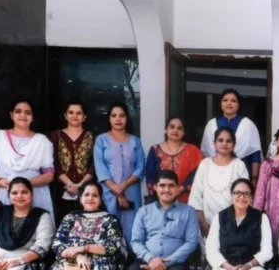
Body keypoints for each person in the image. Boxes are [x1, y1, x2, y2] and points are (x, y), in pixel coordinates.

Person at [0, 98, 55, 222]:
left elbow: (49, 175)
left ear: (33, 117)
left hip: (34, 193)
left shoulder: (42, 141)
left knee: (37, 232)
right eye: (18, 111)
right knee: (5, 232)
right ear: (11, 115)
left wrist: (25, 185)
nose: (23, 115)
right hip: (5, 194)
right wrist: (0, 182)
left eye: (28, 112)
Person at [94, 102, 145, 247]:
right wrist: (115, 189)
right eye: (114, 115)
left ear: (127, 118)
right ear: (109, 118)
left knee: (132, 229)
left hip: (131, 192)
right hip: (108, 192)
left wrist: (123, 186)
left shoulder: (135, 141)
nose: (118, 119)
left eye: (121, 115)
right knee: (109, 228)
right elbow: (100, 166)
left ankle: (130, 263)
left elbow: (140, 167)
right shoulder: (101, 140)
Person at [188, 127, 249, 248]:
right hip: (206, 225)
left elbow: (245, 197)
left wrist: (234, 226)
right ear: (214, 143)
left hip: (234, 226)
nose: (224, 144)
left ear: (234, 144)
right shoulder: (205, 164)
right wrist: (203, 224)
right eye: (220, 140)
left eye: (228, 141)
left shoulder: (239, 165)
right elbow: (195, 197)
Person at [200, 89, 262, 185]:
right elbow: (205, 152)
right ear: (220, 103)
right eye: (225, 100)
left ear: (238, 104)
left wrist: (254, 179)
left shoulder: (248, 125)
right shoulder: (211, 124)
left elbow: (255, 154)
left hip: (242, 172)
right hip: (216, 172)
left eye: (233, 100)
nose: (229, 103)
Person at [49, 99, 95, 223]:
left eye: (79, 113)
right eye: (71, 112)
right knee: (62, 223)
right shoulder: (55, 135)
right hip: (61, 189)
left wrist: (79, 186)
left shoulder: (92, 137)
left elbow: (94, 164)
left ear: (85, 117)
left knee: (85, 224)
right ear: (65, 115)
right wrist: (70, 184)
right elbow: (53, 163)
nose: (74, 116)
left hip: (86, 189)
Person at [146, 116, 204, 203]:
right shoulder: (155, 150)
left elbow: (198, 174)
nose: (175, 130)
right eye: (172, 127)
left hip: (186, 200)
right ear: (166, 130)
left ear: (184, 132)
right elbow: (150, 177)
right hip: (160, 201)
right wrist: (164, 192)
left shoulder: (193, 151)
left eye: (179, 128)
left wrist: (180, 189)